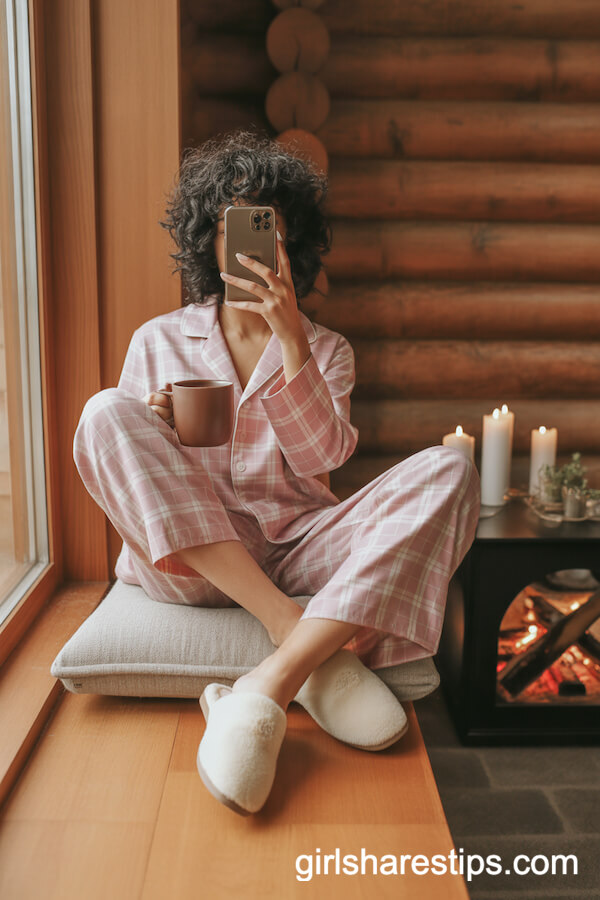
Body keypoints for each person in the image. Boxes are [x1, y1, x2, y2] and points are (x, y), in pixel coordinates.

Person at [73, 130, 481, 816]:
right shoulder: (158, 339)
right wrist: (152, 420)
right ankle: (298, 633)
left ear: (295, 249)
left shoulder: (328, 349)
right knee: (105, 411)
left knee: (451, 470)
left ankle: (271, 680)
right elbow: (132, 471)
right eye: (238, 232)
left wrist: (293, 343)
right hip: (193, 563)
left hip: (298, 549)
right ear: (209, 241)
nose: (258, 251)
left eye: (275, 237)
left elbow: (322, 460)